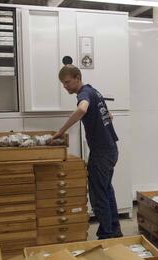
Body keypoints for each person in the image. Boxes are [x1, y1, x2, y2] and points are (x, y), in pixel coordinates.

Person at [53, 65, 122, 239]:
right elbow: (109, 115)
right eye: (63, 83)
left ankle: (106, 234)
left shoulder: (84, 94)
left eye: (67, 82)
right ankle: (114, 230)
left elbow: (82, 109)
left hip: (101, 152)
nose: (65, 86)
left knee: (98, 194)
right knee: (106, 190)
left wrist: (61, 131)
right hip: (111, 149)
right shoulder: (94, 92)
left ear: (77, 77)